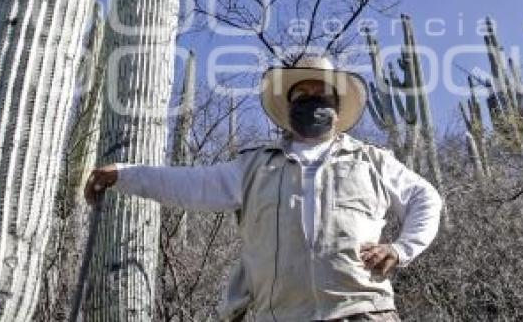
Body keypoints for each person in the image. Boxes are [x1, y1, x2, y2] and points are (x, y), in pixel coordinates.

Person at [85, 55, 442, 321]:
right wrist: (124, 173)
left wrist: (401, 248)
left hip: (365, 313)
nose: (313, 100)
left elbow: (425, 197)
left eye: (322, 94)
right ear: (289, 107)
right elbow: (190, 184)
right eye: (303, 94)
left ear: (336, 106)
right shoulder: (253, 166)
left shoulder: (372, 160)